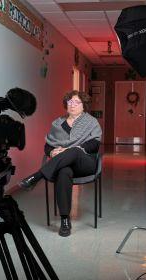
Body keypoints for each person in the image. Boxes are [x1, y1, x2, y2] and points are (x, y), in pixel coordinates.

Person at [19, 90, 102, 237]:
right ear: (66, 105)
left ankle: (37, 176)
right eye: (70, 102)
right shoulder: (58, 123)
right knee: (63, 173)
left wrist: (69, 149)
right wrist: (51, 152)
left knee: (75, 150)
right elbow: (48, 146)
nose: (73, 105)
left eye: (77, 102)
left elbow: (94, 145)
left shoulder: (91, 122)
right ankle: (65, 220)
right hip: (64, 165)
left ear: (84, 105)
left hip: (85, 163)